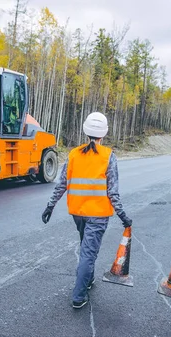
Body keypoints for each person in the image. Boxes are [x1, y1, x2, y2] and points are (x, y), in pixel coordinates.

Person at [41, 112, 132, 309]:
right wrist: (123, 215)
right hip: (98, 215)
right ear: (104, 134)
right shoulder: (109, 156)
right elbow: (113, 192)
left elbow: (61, 184)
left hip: (78, 213)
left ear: (85, 131)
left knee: (86, 247)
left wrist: (50, 205)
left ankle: (88, 280)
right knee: (88, 254)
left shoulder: (74, 154)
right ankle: (78, 296)